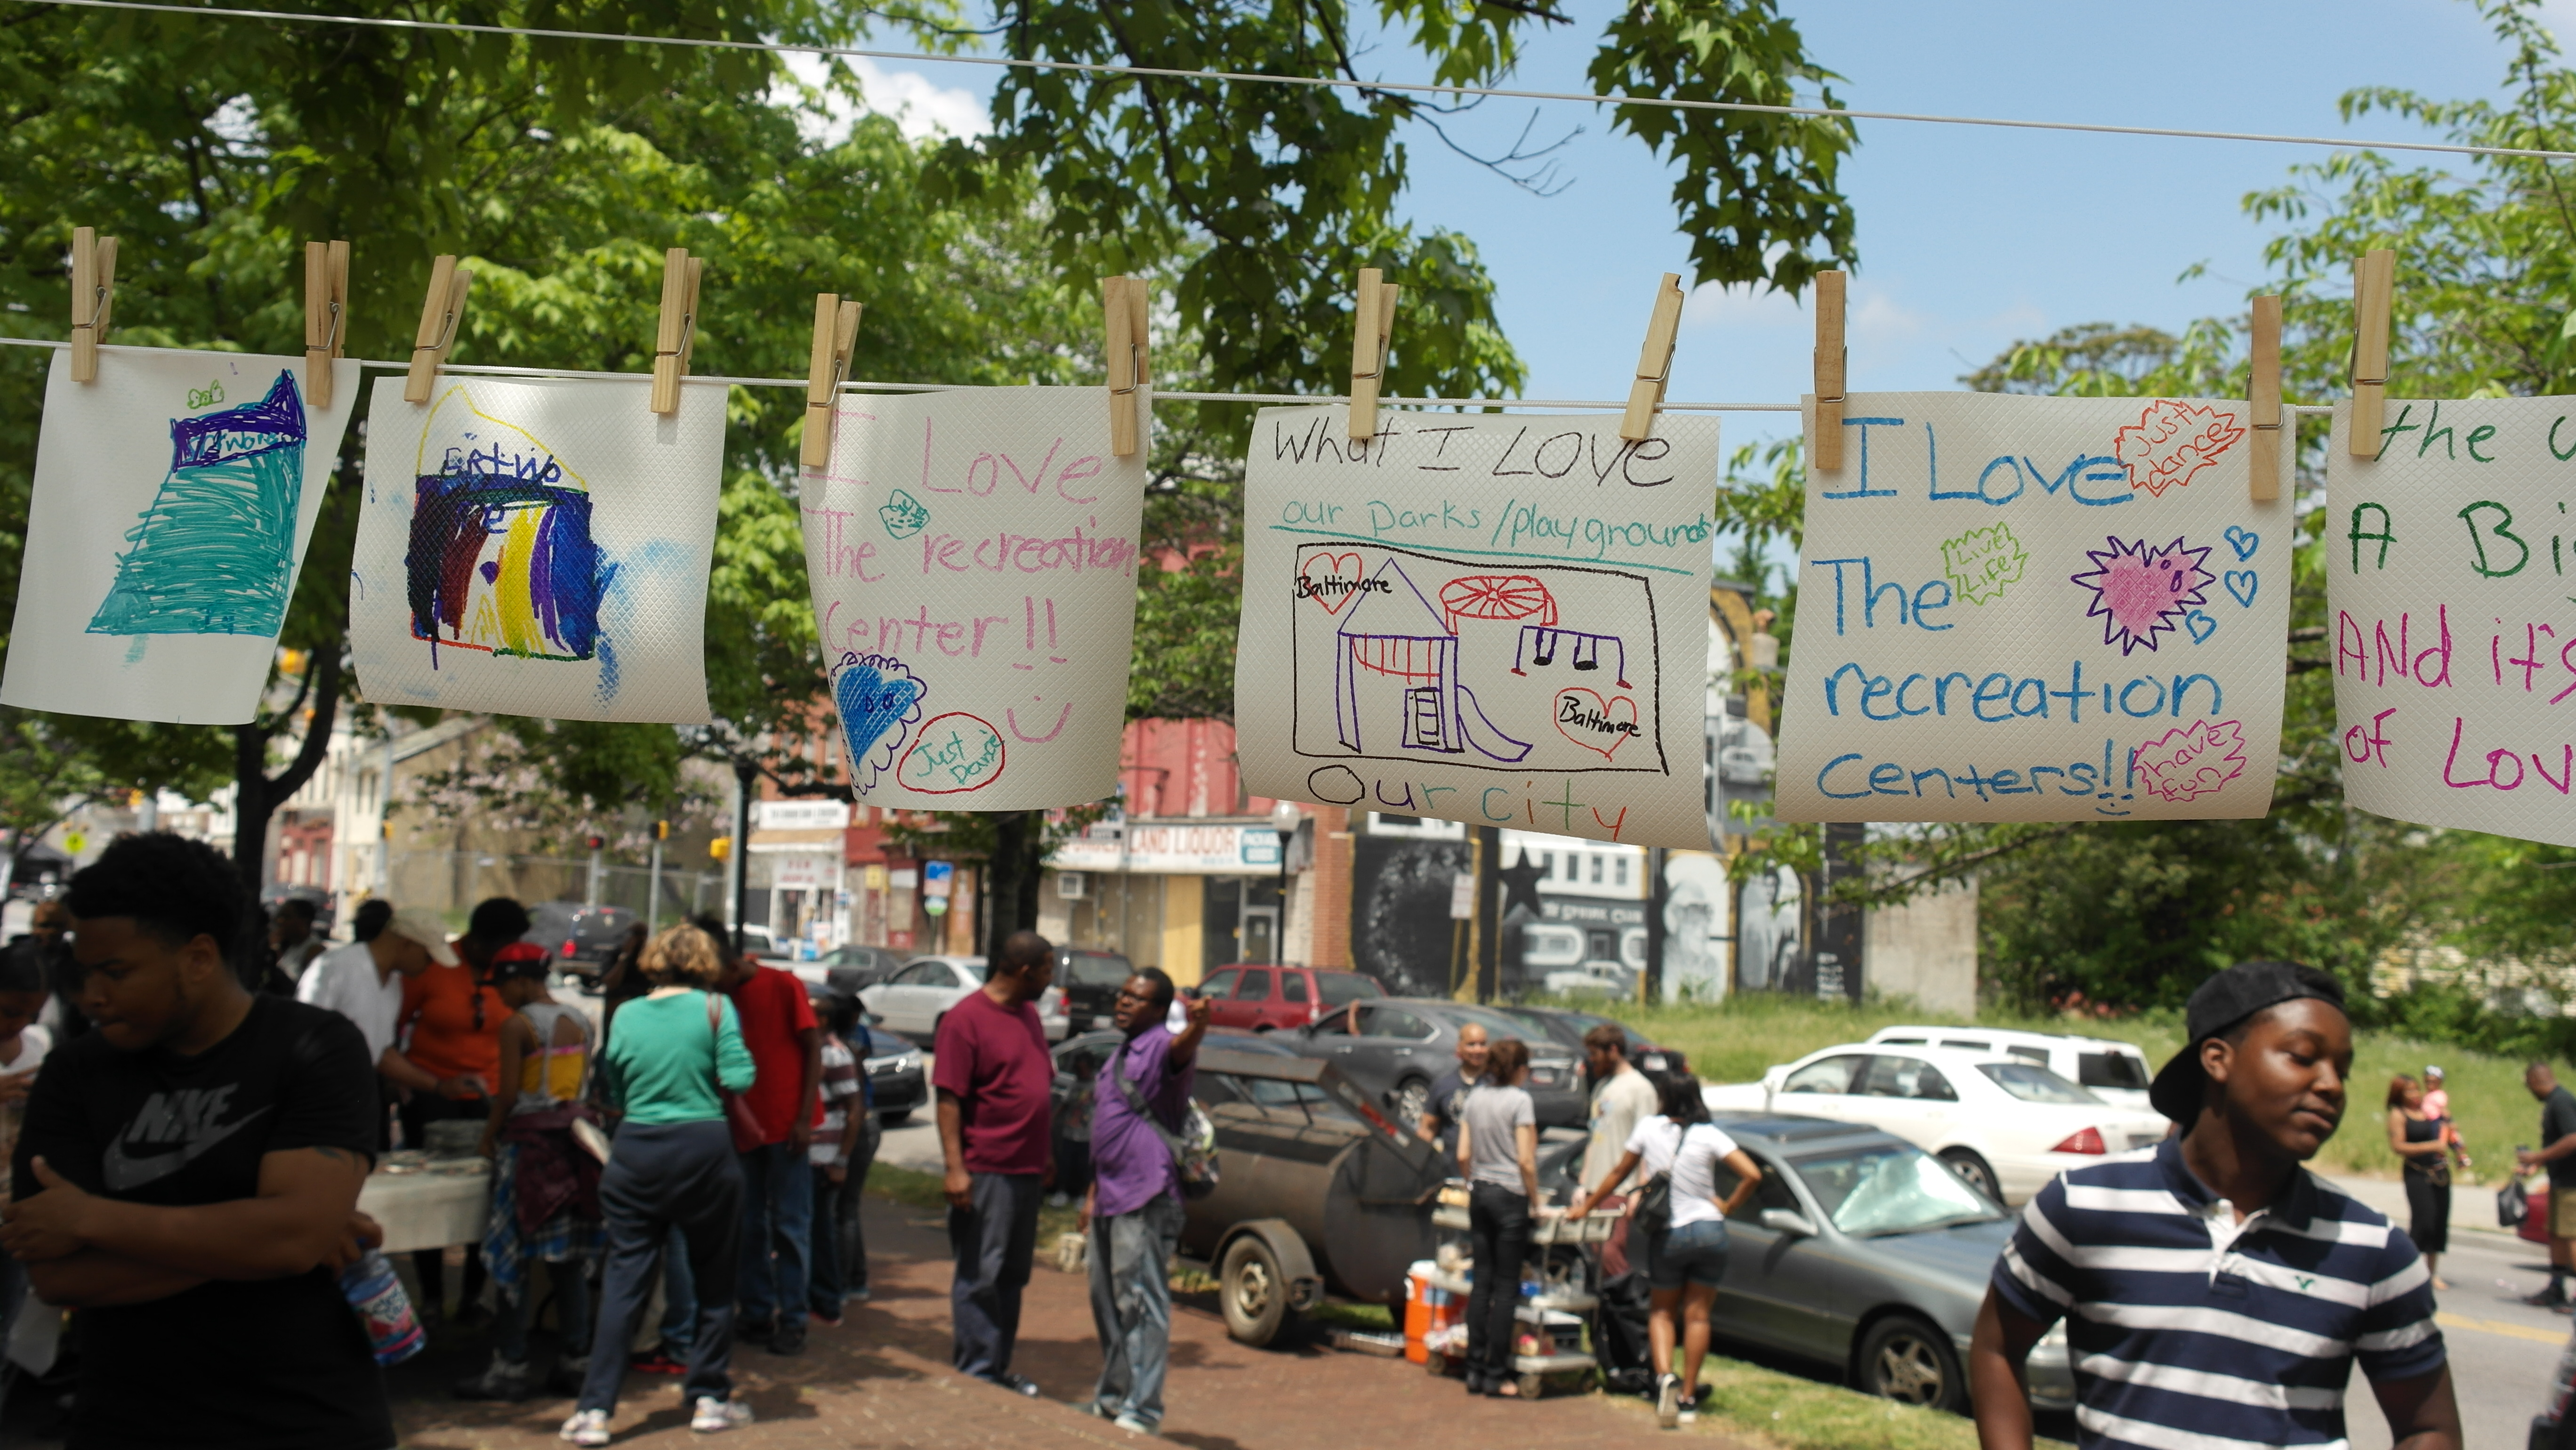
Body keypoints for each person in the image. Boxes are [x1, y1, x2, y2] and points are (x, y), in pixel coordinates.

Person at [0, 832, 393, 1450]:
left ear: (199, 958)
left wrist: (91, 1218)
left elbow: (292, 1237)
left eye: (116, 972)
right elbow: (59, 1278)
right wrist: (271, 1237)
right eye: (84, 971)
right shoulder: (74, 1073)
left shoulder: (314, 1046)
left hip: (306, 1421)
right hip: (126, 1423)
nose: (91, 995)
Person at [1971, 960, 2459, 1450]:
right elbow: (1997, 1349)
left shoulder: (2372, 1248)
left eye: (2342, 1070)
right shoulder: (2085, 1205)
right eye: (2303, 1056)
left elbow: (2429, 1428)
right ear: (2217, 1059)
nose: (2331, 1084)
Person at [564, 923, 757, 1445]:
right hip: (704, 1149)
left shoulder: (627, 1012)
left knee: (625, 1281)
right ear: (706, 963)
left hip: (637, 1150)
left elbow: (614, 1080)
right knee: (714, 1279)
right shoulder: (716, 1008)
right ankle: (709, 1398)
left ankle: (595, 1409)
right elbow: (739, 1078)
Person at [1567, 1071, 1763, 1429]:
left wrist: (1588, 1206)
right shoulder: (1709, 1134)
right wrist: (1728, 1206)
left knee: (1661, 1312)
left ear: (1665, 1099)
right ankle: (1688, 1397)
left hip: (1670, 1233)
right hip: (1710, 1230)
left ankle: (1664, 1379)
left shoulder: (1649, 1129)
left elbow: (1619, 1172)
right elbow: (1752, 1174)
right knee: (1698, 1316)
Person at [455, 943, 602, 1401]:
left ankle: (511, 1364)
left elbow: (507, 1095)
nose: (499, 995)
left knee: (514, 1259)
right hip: (574, 1146)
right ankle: (576, 1360)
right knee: (568, 1262)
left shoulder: (519, 1025)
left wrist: (488, 1138)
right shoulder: (582, 1020)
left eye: (502, 985)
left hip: (529, 1146)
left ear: (521, 981)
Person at [1081, 967, 1212, 1434]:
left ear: (1158, 1010)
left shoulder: (1161, 1046)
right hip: (1109, 1194)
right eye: (1123, 995)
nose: (1123, 1002)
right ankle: (1114, 1397)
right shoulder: (1120, 1053)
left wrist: (1199, 1024)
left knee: (1140, 1300)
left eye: (1135, 998)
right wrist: (1091, 1195)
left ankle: (1143, 1408)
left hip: (1145, 1192)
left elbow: (1184, 1048)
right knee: (1107, 1299)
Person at [934, 929, 1057, 1395]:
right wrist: (955, 1167)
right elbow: (949, 1098)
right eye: (1046, 970)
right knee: (980, 1273)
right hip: (987, 1168)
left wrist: (1046, 1152)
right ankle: (977, 1372)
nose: (1051, 980)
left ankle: (997, 1366)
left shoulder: (1029, 1015)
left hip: (1026, 1168)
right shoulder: (965, 1020)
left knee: (1013, 1274)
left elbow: (1036, 1084)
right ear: (1024, 972)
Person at [397, 895, 524, 1320]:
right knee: (429, 1196)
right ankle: (432, 1297)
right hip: (432, 1094)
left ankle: (472, 1296)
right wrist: (404, 1083)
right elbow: (396, 1022)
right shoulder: (435, 965)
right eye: (499, 947)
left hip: (490, 1100)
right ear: (477, 939)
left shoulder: (508, 973)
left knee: (484, 1197)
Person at [712, 916, 821, 1356]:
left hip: (785, 1125)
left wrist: (804, 1118)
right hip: (743, 1127)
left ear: (731, 965)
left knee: (790, 1224)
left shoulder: (782, 985)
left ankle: (793, 1318)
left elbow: (813, 1047)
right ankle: (757, 1312)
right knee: (748, 1223)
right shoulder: (720, 999)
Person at [298, 906, 456, 1152]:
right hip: (318, 1103)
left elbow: (381, 1053)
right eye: (428, 957)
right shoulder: (335, 967)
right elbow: (300, 1040)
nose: (430, 966)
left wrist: (439, 1087)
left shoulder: (394, 984)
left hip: (357, 1102)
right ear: (407, 944)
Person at [1457, 1035, 1539, 1400]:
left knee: (1482, 1282)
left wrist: (1471, 1181)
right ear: (1519, 1069)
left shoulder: (1475, 1098)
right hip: (1510, 1195)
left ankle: (1474, 1368)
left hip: (1480, 1191)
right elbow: (1526, 1160)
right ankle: (1496, 1372)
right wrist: (1535, 1199)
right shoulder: (1520, 1101)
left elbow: (1463, 1153)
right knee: (1506, 1288)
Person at [0, 940, 54, 1353]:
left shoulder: (37, 1045)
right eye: (7, 1011)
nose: (17, 1023)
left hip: (12, 1209)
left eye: (29, 1014)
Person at [806, 986, 870, 1328]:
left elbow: (855, 1109)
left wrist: (840, 1161)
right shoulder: (810, 1050)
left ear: (822, 1020)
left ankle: (830, 1297)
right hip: (808, 1154)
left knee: (823, 1227)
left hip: (824, 1156)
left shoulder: (835, 1055)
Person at [1579, 1024, 1660, 1200]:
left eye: (1595, 1054)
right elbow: (1594, 1137)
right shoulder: (1601, 1087)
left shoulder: (1641, 1089)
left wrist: (1639, 1190)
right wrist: (1583, 1183)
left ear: (1613, 1050)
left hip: (1621, 1191)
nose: (1592, 1060)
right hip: (1593, 1191)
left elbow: (1647, 1145)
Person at [2387, 1074, 2452, 1292]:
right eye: (2409, 1091)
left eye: (2416, 1089)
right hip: (2417, 1173)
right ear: (2399, 1094)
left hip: (2440, 1172)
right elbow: (2398, 1147)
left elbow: (2445, 1131)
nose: (2415, 1094)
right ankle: (2408, 1270)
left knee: (2438, 1223)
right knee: (2423, 1222)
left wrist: (2448, 1123)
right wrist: (2431, 1146)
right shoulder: (2398, 1115)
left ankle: (2431, 1273)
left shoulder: (2429, 1110)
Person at [2520, 1063, 2576, 1311]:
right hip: (2560, 1181)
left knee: (2572, 1237)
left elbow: (2573, 1138)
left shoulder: (2561, 1102)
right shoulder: (2555, 1102)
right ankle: (2556, 1287)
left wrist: (2538, 1156)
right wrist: (2537, 1164)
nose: (2529, 1090)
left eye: (2528, 1084)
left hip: (2572, 1184)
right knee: (2557, 1235)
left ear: (2535, 1080)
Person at [1417, 1020, 1489, 1154]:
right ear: (1459, 1048)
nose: (1478, 1050)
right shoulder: (1443, 1085)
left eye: (1483, 1044)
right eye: (1471, 1044)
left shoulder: (1495, 1084)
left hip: (1487, 1164)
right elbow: (1428, 1128)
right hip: (1451, 1164)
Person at [2423, 1064, 2470, 1168]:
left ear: (2439, 1083)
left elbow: (2444, 1110)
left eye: (2433, 1082)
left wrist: (2450, 1121)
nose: (2429, 1084)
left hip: (2436, 1120)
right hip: (2428, 1121)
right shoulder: (2428, 1095)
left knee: (2438, 1137)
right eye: (2427, 1081)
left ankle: (2442, 1157)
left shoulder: (2439, 1095)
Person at [270, 897, 325, 983]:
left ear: (305, 921)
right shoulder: (287, 946)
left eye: (287, 917)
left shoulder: (314, 951)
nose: (280, 921)